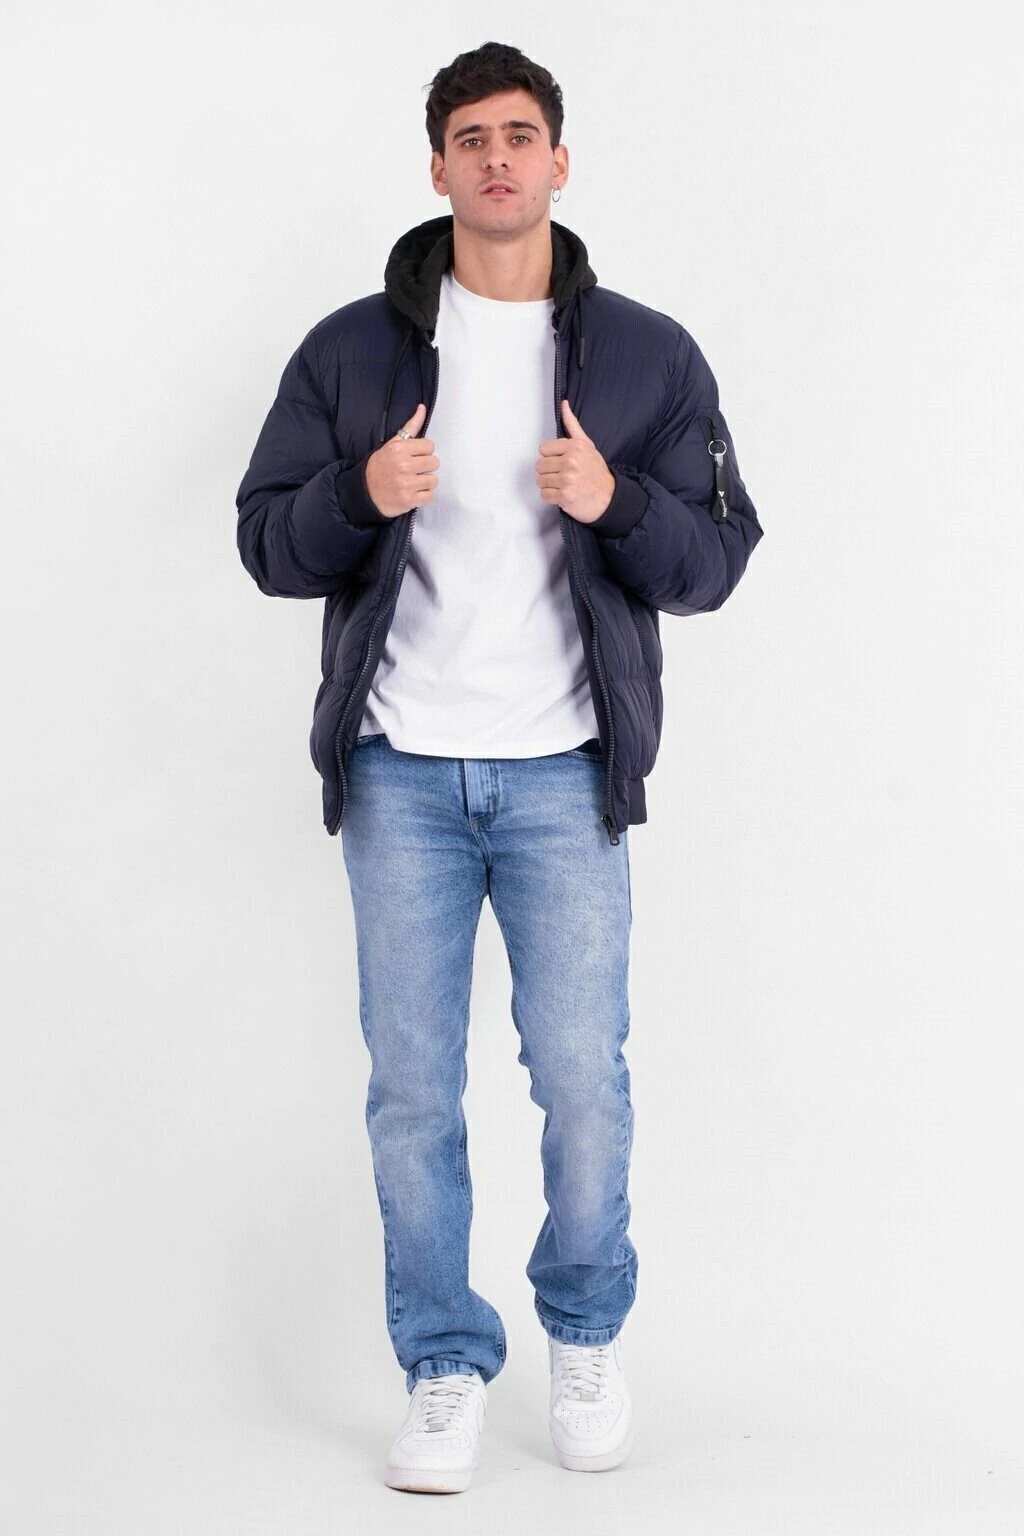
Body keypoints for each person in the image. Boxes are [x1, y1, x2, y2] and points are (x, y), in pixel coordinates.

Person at [235, 40, 764, 1494]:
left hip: (564, 779)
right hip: (402, 777)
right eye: (470, 138)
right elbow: (265, 538)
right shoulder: (353, 349)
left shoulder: (647, 355)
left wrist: (618, 500)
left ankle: (583, 1336)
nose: (497, 159)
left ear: (559, 162)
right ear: (437, 168)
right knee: (413, 1093)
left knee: (583, 1083)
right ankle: (444, 1364)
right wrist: (358, 494)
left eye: (520, 135)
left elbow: (719, 557)